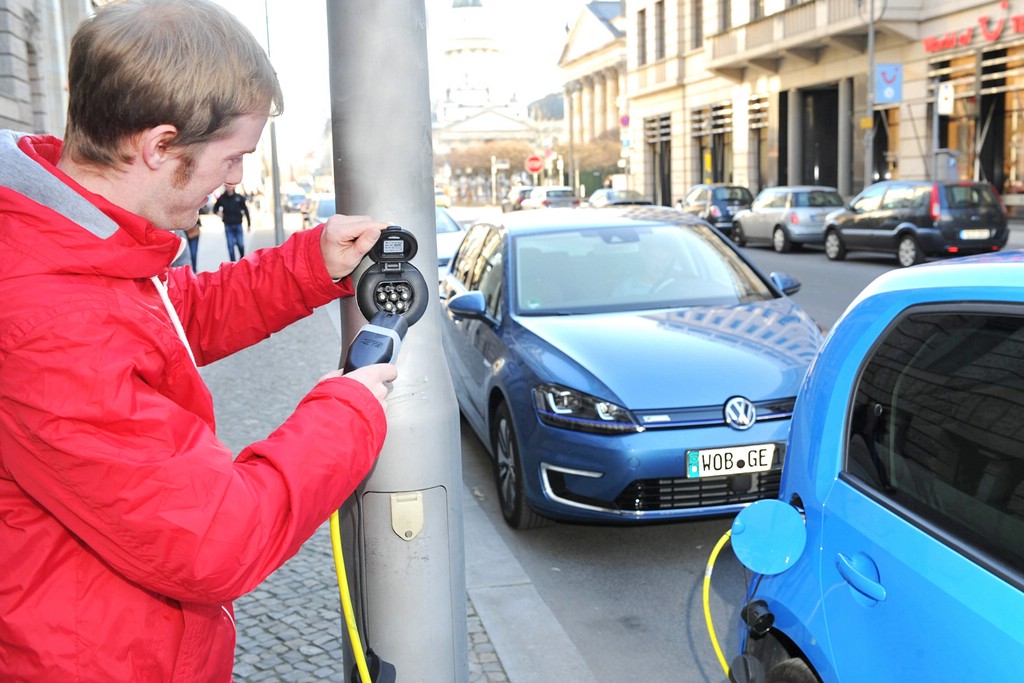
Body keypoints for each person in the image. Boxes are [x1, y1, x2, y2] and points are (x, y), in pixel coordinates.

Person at [0, 1, 397, 680]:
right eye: (233, 156)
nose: (237, 178)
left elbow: (176, 317)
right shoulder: (52, 318)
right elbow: (216, 539)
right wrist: (349, 410)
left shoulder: (76, 234)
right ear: (158, 146)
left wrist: (308, 263)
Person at [214, 182, 251, 261]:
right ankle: (232, 263)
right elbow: (215, 208)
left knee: (240, 244)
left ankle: (242, 259)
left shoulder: (239, 198)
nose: (229, 187)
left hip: (238, 224)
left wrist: (249, 224)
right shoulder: (222, 198)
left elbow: (246, 210)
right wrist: (219, 213)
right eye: (227, 186)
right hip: (228, 225)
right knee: (230, 246)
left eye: (230, 186)